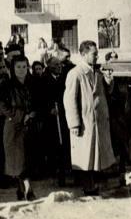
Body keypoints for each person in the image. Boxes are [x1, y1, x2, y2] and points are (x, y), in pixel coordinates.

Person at [63, 40, 116, 196]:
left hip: (98, 122)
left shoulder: (98, 72)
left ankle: (94, 185)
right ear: (83, 54)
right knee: (85, 157)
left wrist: (109, 81)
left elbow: (107, 93)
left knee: (95, 155)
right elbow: (69, 100)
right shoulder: (75, 73)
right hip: (85, 123)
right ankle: (88, 187)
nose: (96, 56)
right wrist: (74, 124)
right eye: (94, 54)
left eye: (97, 53)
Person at [0, 55, 37, 201]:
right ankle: (29, 189)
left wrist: (33, 113)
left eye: (24, 67)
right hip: (13, 128)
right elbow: (2, 106)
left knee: (26, 159)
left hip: (29, 127)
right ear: (13, 69)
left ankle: (20, 189)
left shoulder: (31, 84)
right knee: (19, 159)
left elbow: (37, 102)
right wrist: (20, 116)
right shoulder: (6, 86)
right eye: (18, 67)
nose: (21, 70)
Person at [42, 56, 71, 187]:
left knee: (64, 144)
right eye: (56, 65)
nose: (59, 67)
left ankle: (66, 170)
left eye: (60, 65)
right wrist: (49, 109)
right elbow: (40, 98)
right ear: (50, 67)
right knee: (54, 146)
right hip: (51, 119)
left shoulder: (64, 77)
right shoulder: (44, 79)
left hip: (63, 115)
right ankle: (57, 173)